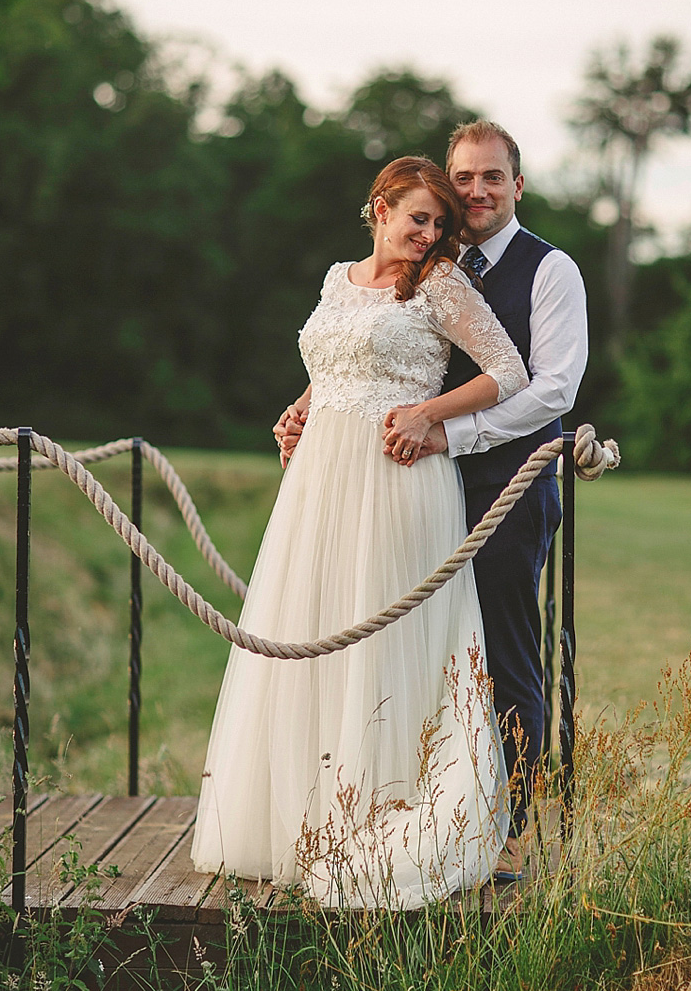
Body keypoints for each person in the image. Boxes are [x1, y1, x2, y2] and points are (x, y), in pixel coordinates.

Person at [191, 157, 529, 908]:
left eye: (439, 223)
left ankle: (379, 813)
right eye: (419, 217)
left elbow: (506, 371)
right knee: (313, 626)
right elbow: (335, 362)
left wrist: (430, 414)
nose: (430, 233)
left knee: (381, 634)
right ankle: (298, 819)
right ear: (380, 207)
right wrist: (300, 408)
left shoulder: (439, 283)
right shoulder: (336, 277)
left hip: (396, 482)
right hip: (318, 481)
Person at [279, 122, 588, 878]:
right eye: (463, 178)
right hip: (402, 483)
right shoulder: (430, 261)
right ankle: (373, 799)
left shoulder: (551, 271)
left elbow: (552, 384)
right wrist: (309, 405)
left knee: (499, 649)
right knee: (400, 642)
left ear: (518, 184)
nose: (474, 191)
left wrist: (452, 433)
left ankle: (508, 826)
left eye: (491, 177)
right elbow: (368, 348)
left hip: (505, 481)